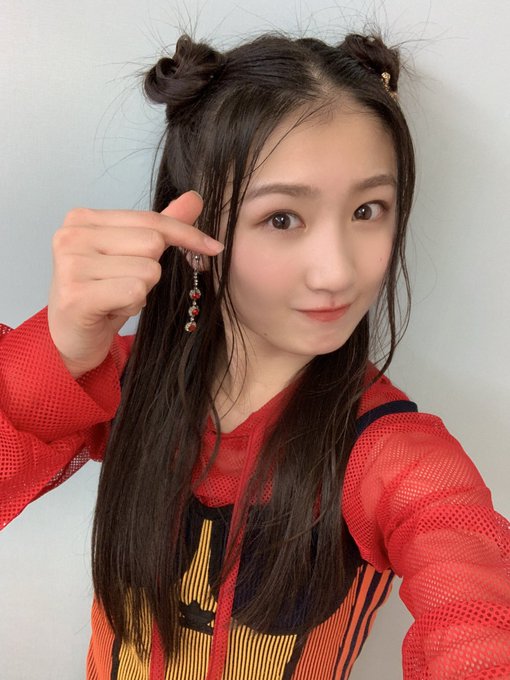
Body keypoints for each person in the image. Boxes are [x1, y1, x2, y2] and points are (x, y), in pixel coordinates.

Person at [1, 29, 509, 680]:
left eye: (368, 210)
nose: (336, 272)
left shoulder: (390, 452)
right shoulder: (122, 384)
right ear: (193, 231)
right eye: (282, 218)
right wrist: (61, 353)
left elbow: (476, 607)